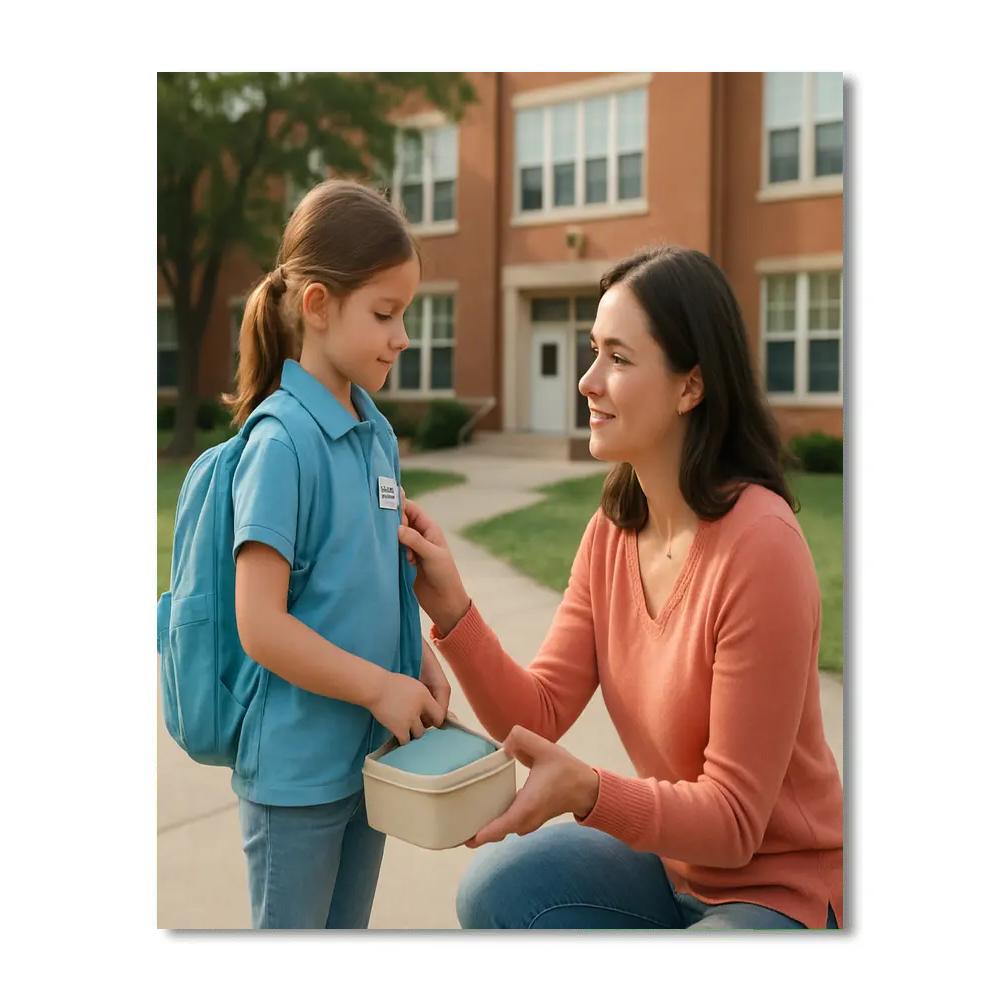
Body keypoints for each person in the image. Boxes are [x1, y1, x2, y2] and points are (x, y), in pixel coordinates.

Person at [398, 246, 843, 930]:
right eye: (592, 351)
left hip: (780, 891)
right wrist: (451, 608)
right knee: (497, 891)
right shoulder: (613, 528)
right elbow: (539, 712)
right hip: (670, 867)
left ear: (690, 386)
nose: (586, 381)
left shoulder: (761, 548)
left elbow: (733, 824)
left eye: (618, 358)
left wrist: (590, 791)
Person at [223, 179, 451, 929]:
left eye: (405, 314)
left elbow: (368, 583)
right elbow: (261, 624)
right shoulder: (280, 442)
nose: (403, 336)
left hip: (370, 768)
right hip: (296, 781)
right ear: (317, 307)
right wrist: (377, 688)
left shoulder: (376, 434)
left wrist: (417, 660)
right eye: (385, 314)